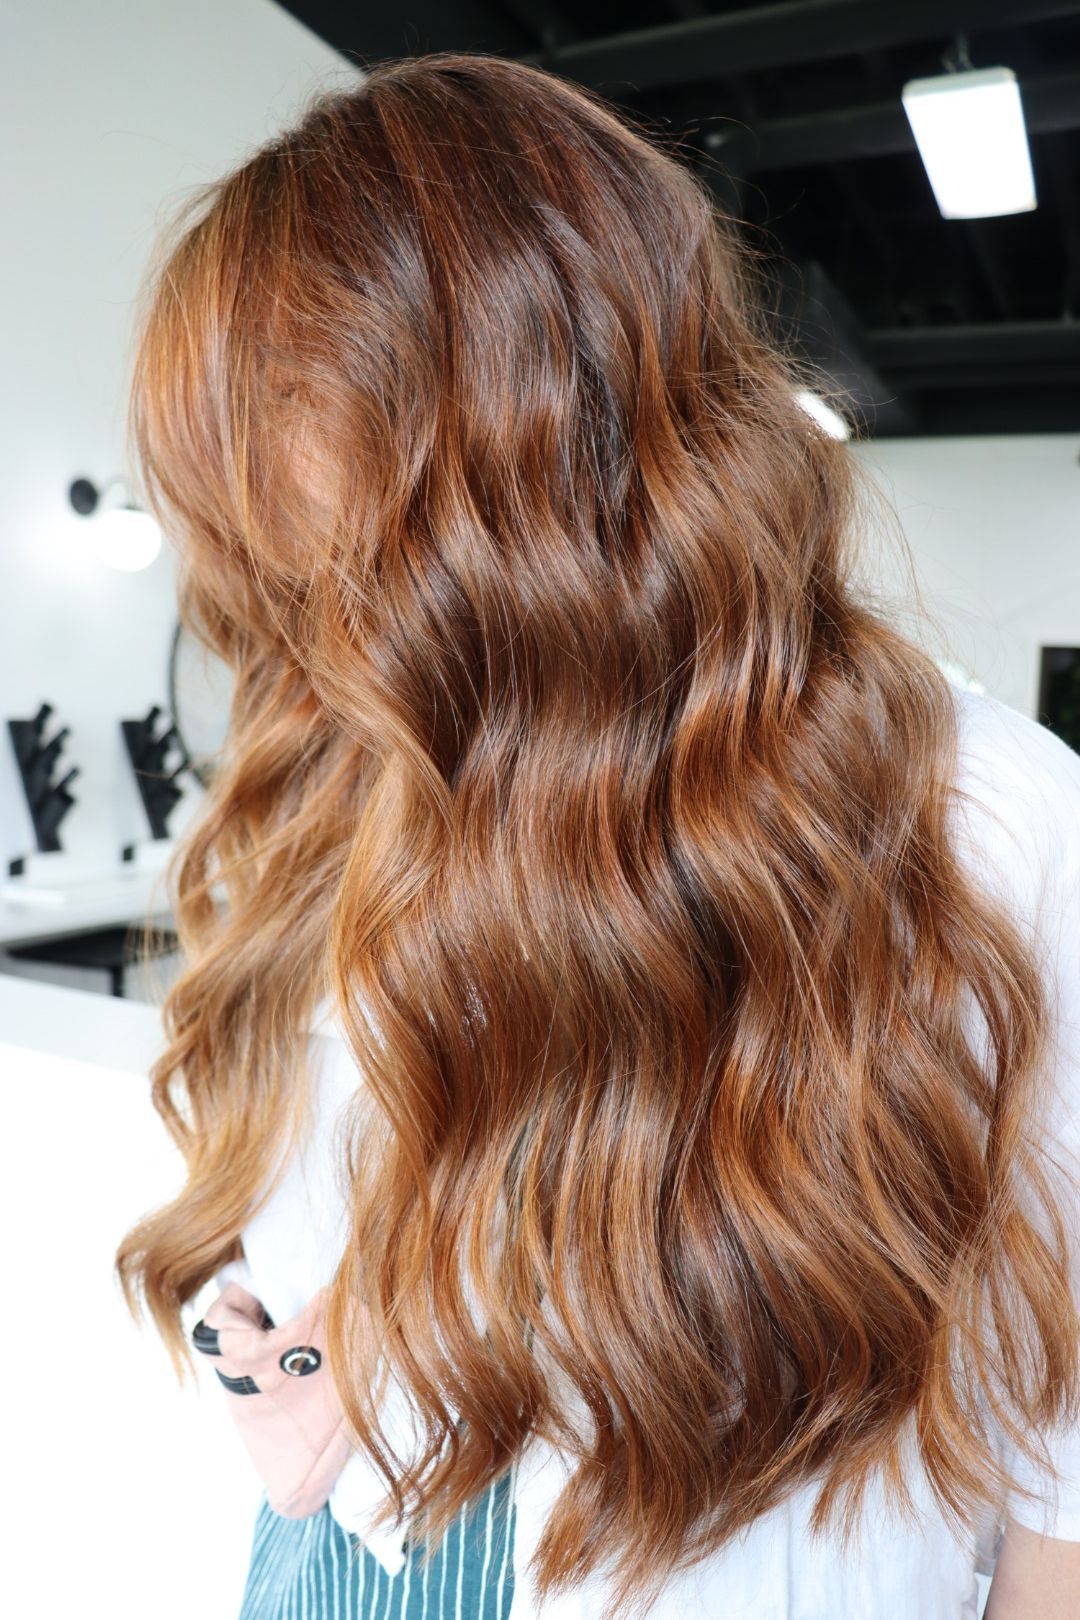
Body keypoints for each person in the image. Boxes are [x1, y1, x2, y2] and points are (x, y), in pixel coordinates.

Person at [114, 50, 1080, 1620]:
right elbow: (370, 1185)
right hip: (347, 1560)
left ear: (551, 435)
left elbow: (1065, 1458)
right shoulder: (360, 759)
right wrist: (297, 1330)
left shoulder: (978, 818)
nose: (322, 612)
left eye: (367, 541)